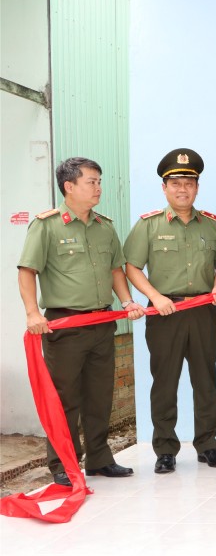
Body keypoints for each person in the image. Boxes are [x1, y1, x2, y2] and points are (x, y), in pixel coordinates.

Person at [18, 157, 144, 486]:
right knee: (65, 398)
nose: (98, 187)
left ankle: (100, 459)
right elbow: (27, 271)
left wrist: (127, 300)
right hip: (65, 326)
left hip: (103, 323)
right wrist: (33, 313)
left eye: (99, 181)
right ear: (69, 186)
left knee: (100, 394)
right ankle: (63, 462)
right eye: (91, 181)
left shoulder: (105, 227)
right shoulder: (46, 226)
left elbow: (116, 269)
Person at [124, 148, 216, 474]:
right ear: (164, 188)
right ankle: (166, 449)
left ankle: (208, 446)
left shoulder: (212, 226)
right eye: (175, 183)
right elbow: (131, 267)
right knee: (165, 382)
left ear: (197, 187)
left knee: (205, 379)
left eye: (188, 183)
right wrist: (155, 297)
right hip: (164, 313)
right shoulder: (149, 225)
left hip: (202, 311)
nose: (182, 189)